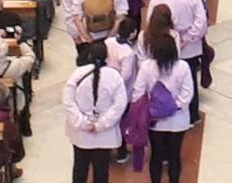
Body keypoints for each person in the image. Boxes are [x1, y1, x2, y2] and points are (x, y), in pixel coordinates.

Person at [133, 29, 197, 183]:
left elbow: (137, 92)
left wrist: (151, 109)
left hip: (154, 121)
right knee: (175, 155)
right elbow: (188, 94)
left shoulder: (147, 66)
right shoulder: (183, 67)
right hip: (178, 120)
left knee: (156, 155)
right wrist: (173, 106)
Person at [65, 42, 130, 183]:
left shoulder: (77, 74)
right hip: (104, 135)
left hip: (81, 134)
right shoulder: (114, 76)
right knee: (102, 171)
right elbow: (119, 105)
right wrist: (101, 124)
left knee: (80, 169)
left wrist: (82, 122)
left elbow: (68, 102)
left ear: (89, 55)